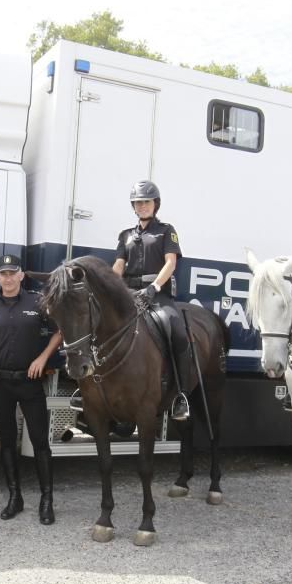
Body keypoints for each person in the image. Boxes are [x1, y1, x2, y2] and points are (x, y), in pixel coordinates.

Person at [0, 255, 63, 525]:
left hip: (30, 383)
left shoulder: (38, 302)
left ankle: (47, 500)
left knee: (40, 442)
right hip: (0, 384)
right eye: (3, 274)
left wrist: (43, 358)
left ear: (21, 275)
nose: (8, 278)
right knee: (7, 442)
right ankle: (15, 498)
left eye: (13, 273)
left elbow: (59, 332)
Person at [112, 180, 193, 421]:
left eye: (146, 202)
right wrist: (110, 285)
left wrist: (154, 286)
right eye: (138, 202)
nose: (142, 206)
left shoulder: (166, 230)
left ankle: (181, 394)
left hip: (157, 294)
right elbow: (119, 264)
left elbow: (171, 262)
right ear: (133, 206)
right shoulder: (125, 235)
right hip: (128, 293)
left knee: (176, 330)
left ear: (155, 204)